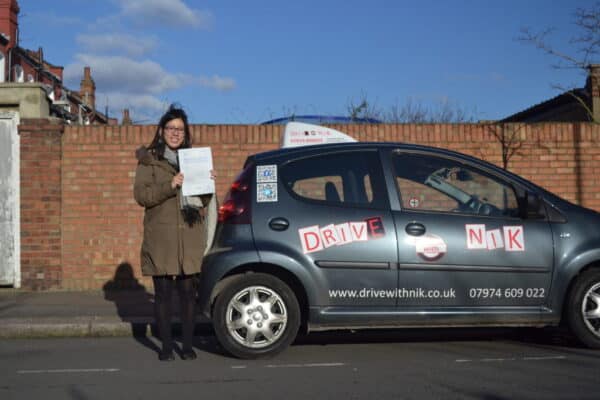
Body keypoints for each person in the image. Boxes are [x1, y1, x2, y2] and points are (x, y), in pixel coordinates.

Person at [134, 104, 217, 361]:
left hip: (189, 234)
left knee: (187, 295)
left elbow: (202, 202)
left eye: (180, 129)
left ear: (185, 133)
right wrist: (170, 185)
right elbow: (142, 196)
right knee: (163, 295)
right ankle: (167, 347)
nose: (175, 133)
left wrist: (208, 183)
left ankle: (188, 346)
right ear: (161, 131)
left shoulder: (193, 159)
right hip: (161, 238)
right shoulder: (149, 160)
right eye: (171, 128)